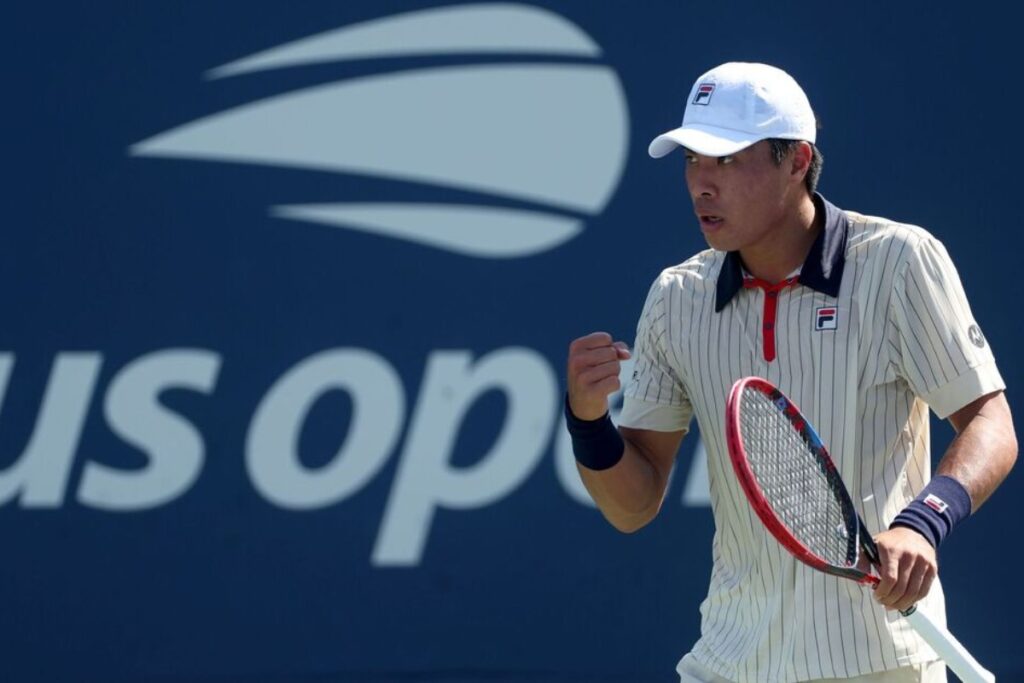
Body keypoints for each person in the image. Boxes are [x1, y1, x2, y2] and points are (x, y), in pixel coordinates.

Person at [564, 62, 1017, 683]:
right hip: (727, 661)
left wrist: (923, 522)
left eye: (725, 160)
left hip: (879, 663)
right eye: (692, 159)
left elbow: (990, 420)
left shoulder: (898, 262)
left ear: (797, 160)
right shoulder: (677, 296)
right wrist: (589, 426)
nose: (700, 183)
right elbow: (633, 506)